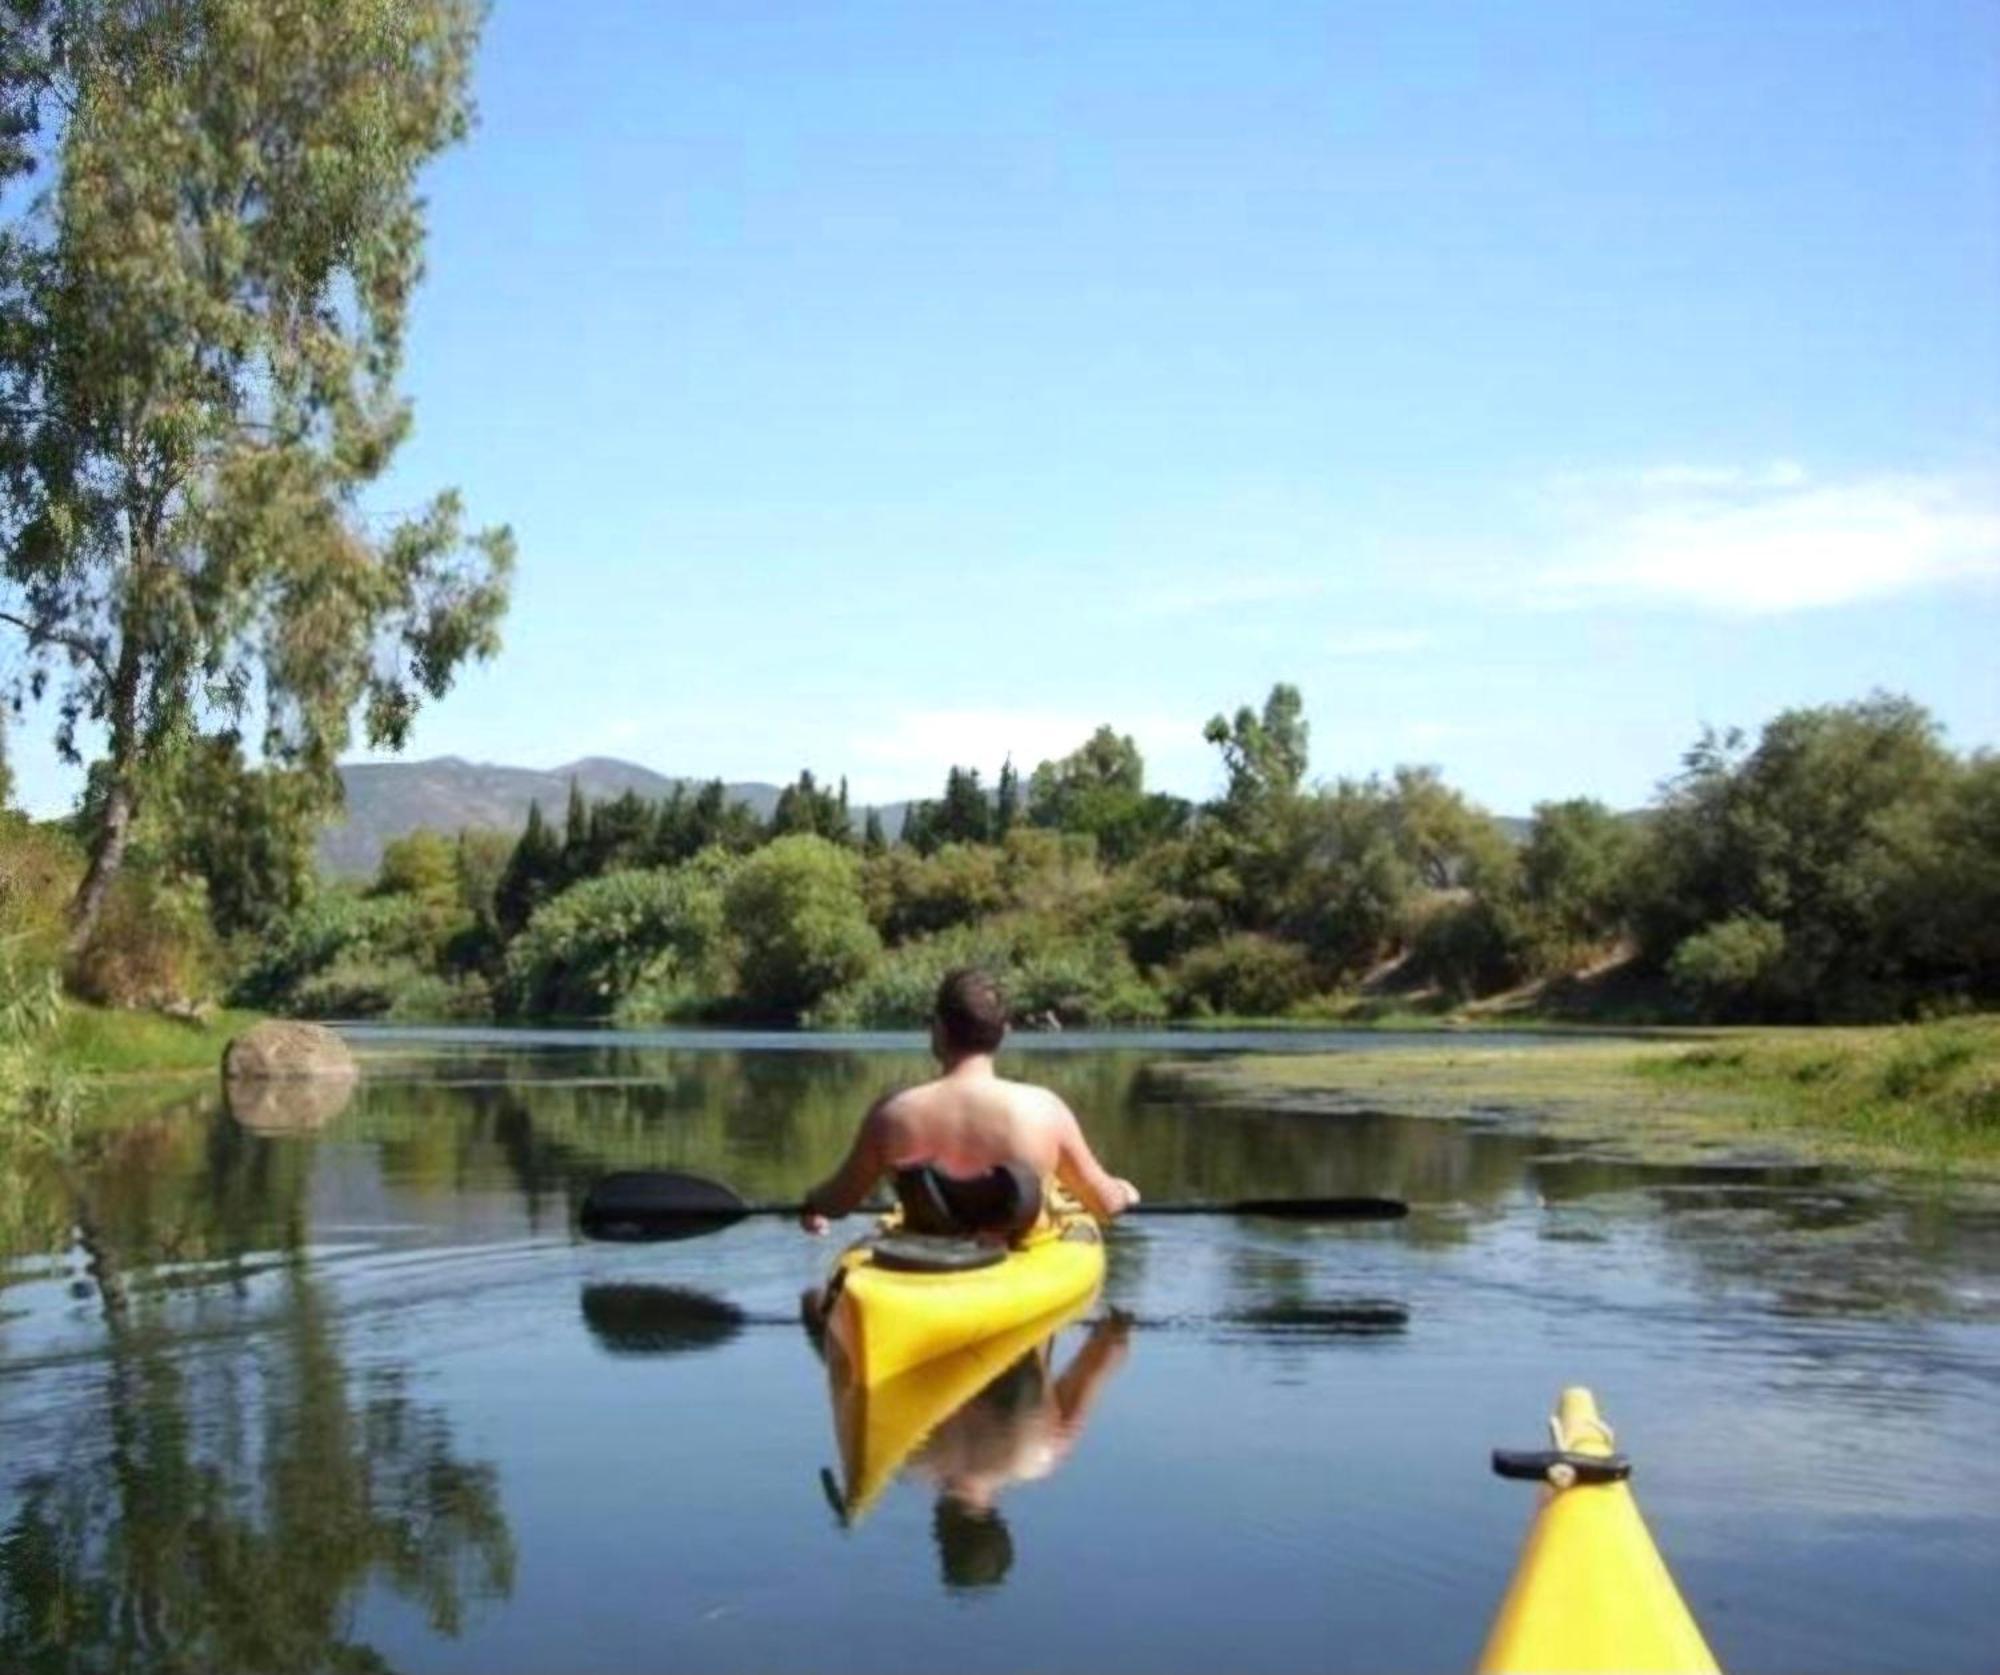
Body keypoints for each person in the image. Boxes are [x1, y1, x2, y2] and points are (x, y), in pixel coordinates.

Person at [799, 967, 1140, 1238]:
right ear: (1003, 1032)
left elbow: (838, 1201)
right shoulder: (1044, 1110)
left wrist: (812, 1203)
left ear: (939, 1030)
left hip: (924, 1257)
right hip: (1014, 1255)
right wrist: (1124, 1191)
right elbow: (1104, 1204)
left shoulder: (891, 1113)